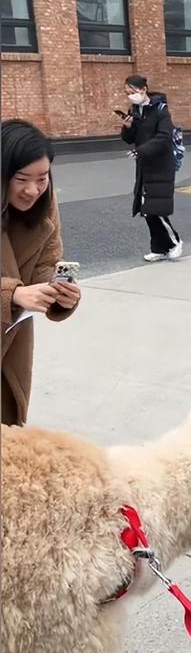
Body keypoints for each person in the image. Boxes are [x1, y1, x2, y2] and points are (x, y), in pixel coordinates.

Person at [1, 119, 81, 426]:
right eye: (21, 178)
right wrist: (13, 294)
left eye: (43, 178)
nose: (32, 190)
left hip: (10, 343)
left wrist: (60, 293)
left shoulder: (44, 204)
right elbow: (18, 292)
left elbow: (48, 262)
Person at [119, 74, 182, 263]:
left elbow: (164, 138)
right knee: (146, 209)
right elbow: (131, 138)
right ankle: (159, 248)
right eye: (127, 93)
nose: (130, 95)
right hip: (145, 165)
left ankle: (175, 242)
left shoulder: (161, 110)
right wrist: (127, 127)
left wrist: (141, 151)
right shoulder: (135, 110)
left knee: (157, 208)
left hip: (161, 165)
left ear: (143, 89)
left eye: (133, 91)